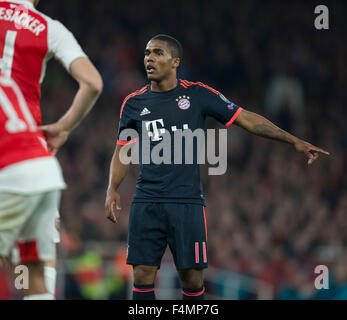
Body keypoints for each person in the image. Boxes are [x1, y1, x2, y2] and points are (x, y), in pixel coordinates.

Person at [105, 34, 329, 300]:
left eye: (157, 52)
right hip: (147, 201)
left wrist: (293, 140)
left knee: (191, 278)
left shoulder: (198, 94)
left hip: (186, 201)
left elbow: (245, 118)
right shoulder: (133, 103)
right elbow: (123, 150)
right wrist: (112, 188)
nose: (149, 58)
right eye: (146, 53)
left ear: (175, 61)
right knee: (142, 274)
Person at [0, 0, 103, 298]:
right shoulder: (50, 28)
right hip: (37, 156)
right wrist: (64, 127)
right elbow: (93, 83)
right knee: (34, 276)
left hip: (5, 159)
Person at [0, 74, 65, 300]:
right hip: (45, 171)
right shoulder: (11, 84)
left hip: (13, 177)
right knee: (34, 270)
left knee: (25, 265)